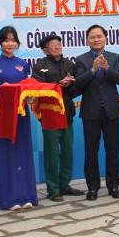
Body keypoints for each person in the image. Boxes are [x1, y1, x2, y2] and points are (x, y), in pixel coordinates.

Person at [0, 26, 38, 210]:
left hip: (22, 113)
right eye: (6, 40)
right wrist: (3, 90)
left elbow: (26, 87)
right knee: (7, 152)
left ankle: (27, 196)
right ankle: (8, 199)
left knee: (23, 151)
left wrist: (30, 96)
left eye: (13, 40)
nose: (10, 43)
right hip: (4, 113)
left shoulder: (23, 63)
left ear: (17, 43)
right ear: (0, 43)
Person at [74, 24, 119, 200]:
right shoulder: (80, 60)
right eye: (92, 37)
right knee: (91, 151)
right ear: (87, 40)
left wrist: (107, 68)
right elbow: (78, 84)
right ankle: (93, 188)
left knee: (113, 150)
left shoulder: (114, 57)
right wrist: (93, 70)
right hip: (90, 111)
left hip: (112, 110)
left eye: (99, 36)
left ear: (105, 38)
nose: (96, 39)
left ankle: (114, 186)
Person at [31, 34, 84, 201]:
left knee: (67, 152)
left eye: (59, 43)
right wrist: (58, 83)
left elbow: (75, 90)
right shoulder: (40, 66)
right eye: (53, 44)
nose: (57, 46)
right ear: (45, 50)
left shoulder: (69, 64)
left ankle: (64, 185)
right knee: (52, 154)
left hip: (67, 113)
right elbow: (38, 88)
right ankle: (53, 189)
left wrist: (70, 84)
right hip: (50, 116)